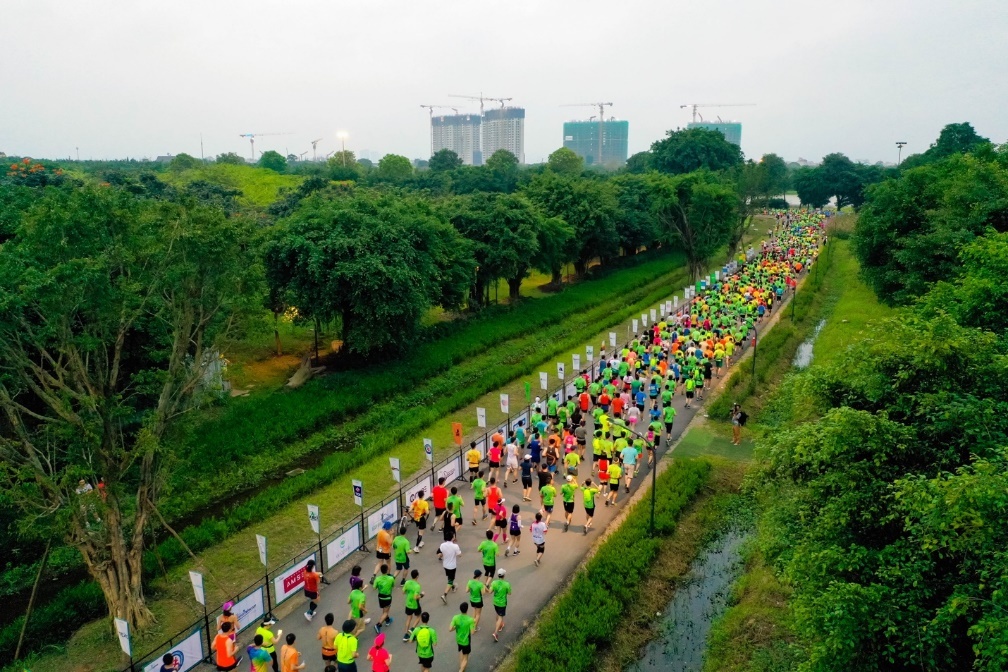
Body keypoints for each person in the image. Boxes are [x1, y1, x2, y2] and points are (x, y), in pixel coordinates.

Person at [450, 603, 477, 672]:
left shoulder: (455, 617)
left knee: (461, 651)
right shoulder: (470, 620)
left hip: (458, 639)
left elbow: (450, 629)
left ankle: (461, 666)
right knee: (466, 658)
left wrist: (457, 627)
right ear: (467, 609)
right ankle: (461, 670)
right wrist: (474, 623)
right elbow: (472, 632)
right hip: (466, 641)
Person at [438, 535, 462, 604]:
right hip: (452, 566)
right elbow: (460, 555)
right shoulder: (455, 546)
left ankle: (453, 586)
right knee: (450, 580)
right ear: (452, 538)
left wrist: (442, 555)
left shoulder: (442, 545)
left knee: (450, 577)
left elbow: (439, 553)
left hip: (445, 565)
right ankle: (444, 594)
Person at [402, 569, 424, 642]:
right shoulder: (417, 586)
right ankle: (412, 628)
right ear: (417, 576)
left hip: (408, 603)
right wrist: (421, 595)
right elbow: (415, 597)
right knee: (419, 616)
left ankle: (405, 635)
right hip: (415, 604)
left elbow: (403, 591)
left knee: (409, 618)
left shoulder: (407, 582)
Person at [489, 568, 511, 642]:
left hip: (495, 602)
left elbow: (490, 591)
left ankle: (500, 625)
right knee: (500, 617)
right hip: (502, 603)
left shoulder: (494, 582)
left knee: (497, 614)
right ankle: (496, 632)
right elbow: (509, 593)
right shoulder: (506, 584)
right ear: (504, 575)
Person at [373, 520, 393, 585]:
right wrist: (392, 535)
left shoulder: (380, 532)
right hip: (386, 551)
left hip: (379, 549)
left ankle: (374, 575)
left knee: (380, 563)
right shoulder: (387, 535)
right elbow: (390, 542)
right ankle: (388, 575)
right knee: (388, 562)